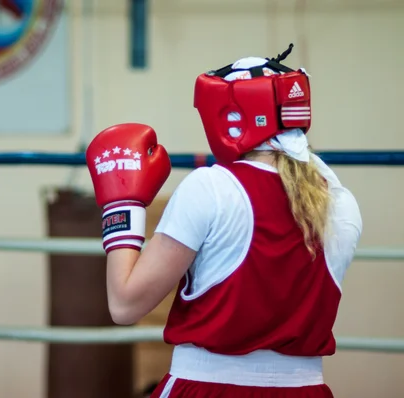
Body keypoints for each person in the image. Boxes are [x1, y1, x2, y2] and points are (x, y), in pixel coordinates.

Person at [86, 45, 363, 397]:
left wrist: (121, 206)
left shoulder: (212, 188)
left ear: (229, 114)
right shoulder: (342, 203)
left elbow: (125, 304)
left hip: (207, 387)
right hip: (305, 389)